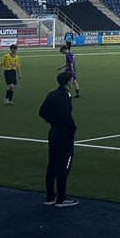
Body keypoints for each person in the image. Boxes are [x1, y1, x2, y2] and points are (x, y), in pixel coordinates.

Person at [39, 71, 78, 207]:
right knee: (64, 166)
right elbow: (65, 115)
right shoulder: (66, 96)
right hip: (63, 134)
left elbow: (42, 112)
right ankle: (62, 198)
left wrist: (52, 121)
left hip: (53, 132)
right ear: (68, 82)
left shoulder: (52, 94)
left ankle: (50, 196)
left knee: (52, 164)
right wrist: (70, 127)